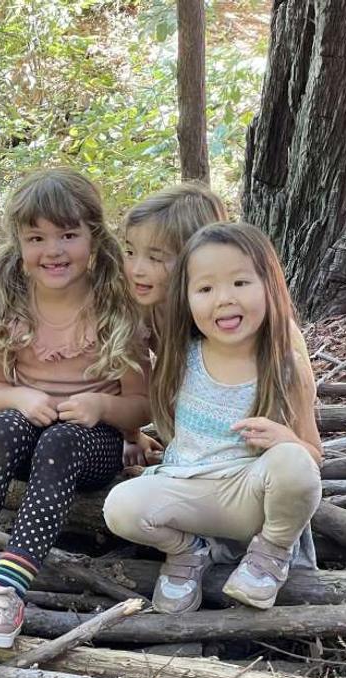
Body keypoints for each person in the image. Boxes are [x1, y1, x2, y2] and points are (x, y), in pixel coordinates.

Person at [0, 167, 150, 648]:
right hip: (27, 436)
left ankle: (7, 588)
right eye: (36, 237)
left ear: (93, 238)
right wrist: (22, 397)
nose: (53, 250)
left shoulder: (116, 308)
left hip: (90, 446)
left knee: (59, 440)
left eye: (68, 235)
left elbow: (140, 406)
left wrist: (101, 405)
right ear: (18, 243)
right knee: (0, 430)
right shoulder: (7, 305)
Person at [104, 222, 322, 614]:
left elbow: (313, 455)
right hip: (188, 489)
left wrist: (285, 438)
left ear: (270, 285)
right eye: (205, 289)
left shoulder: (284, 364)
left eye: (240, 283)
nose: (224, 299)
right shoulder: (181, 355)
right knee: (121, 507)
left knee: (295, 465)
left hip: (248, 493)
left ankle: (271, 552)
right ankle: (189, 551)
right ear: (185, 299)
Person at [121, 183, 228, 468]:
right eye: (130, 252)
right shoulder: (142, 308)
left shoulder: (222, 313)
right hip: (183, 423)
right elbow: (133, 385)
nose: (136, 269)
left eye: (155, 258)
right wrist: (132, 437)